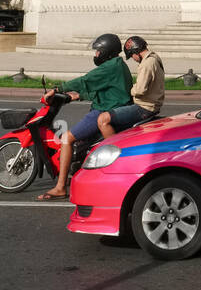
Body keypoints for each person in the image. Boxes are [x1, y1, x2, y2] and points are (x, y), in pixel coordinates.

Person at [37, 33, 131, 201]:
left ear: (106, 52)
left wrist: (58, 89)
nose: (95, 55)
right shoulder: (117, 65)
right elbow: (106, 90)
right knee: (81, 143)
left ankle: (60, 187)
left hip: (103, 111)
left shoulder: (109, 67)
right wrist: (79, 96)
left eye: (97, 51)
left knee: (66, 138)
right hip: (112, 106)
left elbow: (85, 80)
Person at [98, 35, 164, 137]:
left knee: (103, 119)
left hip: (144, 107)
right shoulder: (154, 58)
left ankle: (113, 149)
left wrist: (129, 89)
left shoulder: (147, 63)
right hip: (150, 104)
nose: (133, 59)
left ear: (136, 51)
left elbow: (140, 90)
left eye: (131, 55)